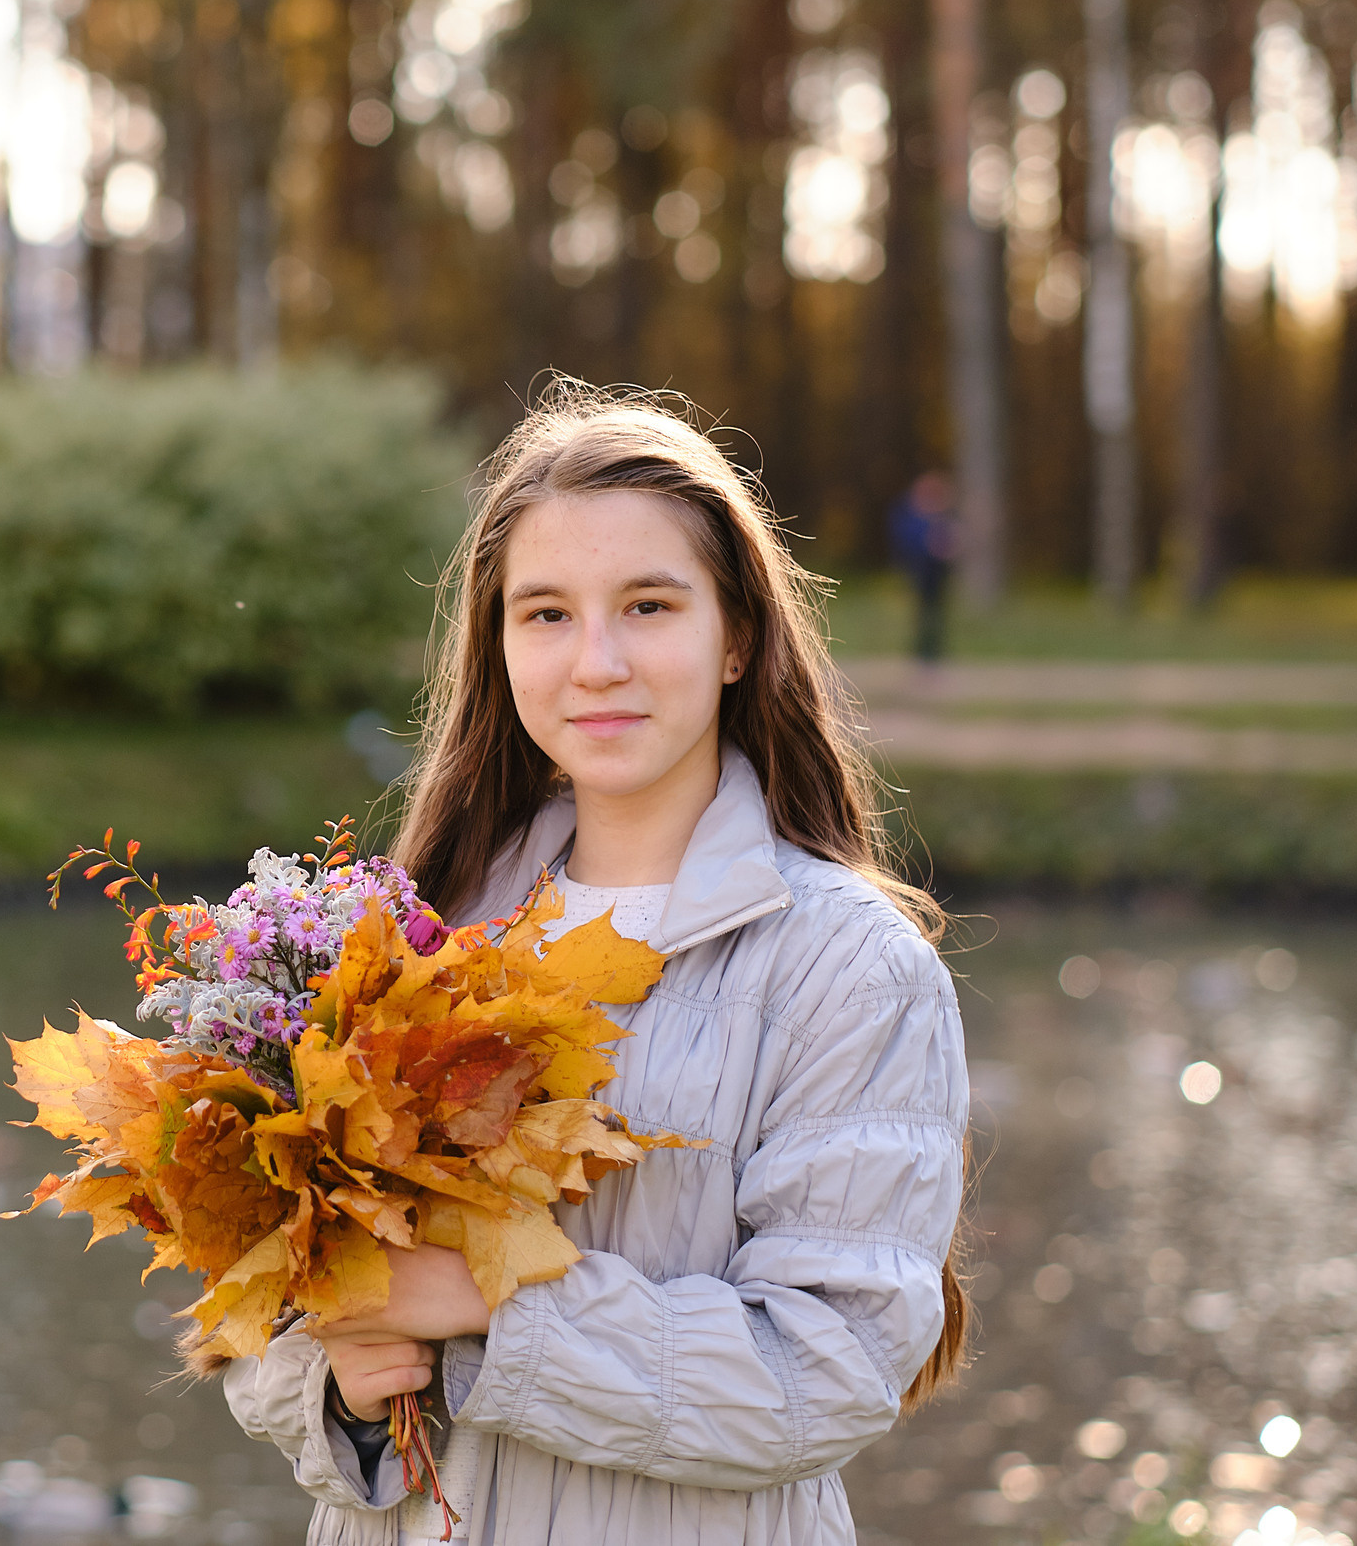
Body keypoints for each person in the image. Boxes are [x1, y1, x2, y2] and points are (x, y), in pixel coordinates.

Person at [220, 383, 971, 1545]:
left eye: (649, 606)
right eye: (547, 614)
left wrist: (488, 1306)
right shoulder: (413, 936)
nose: (597, 662)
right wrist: (338, 1392)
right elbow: (266, 1322)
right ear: (498, 645)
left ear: (736, 639)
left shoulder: (847, 966)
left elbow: (830, 1368)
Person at [887, 471, 958, 663]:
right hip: (920, 572)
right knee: (923, 616)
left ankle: (932, 655)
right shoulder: (911, 516)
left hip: (936, 573)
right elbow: (907, 543)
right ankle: (923, 655)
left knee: (935, 616)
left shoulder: (939, 516)